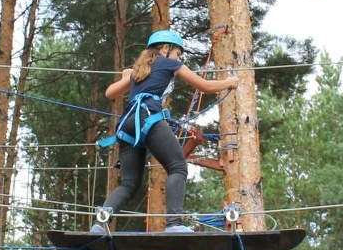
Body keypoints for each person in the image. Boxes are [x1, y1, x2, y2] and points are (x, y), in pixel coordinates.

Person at [91, 29, 239, 234]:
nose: (179, 58)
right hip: (148, 118)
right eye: (178, 53)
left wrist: (127, 76)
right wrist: (229, 82)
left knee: (129, 184)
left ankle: (99, 224)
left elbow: (110, 93)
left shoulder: (138, 70)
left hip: (127, 125)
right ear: (166, 48)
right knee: (178, 167)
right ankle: (174, 224)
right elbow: (205, 86)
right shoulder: (170, 63)